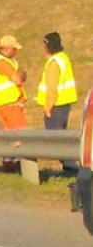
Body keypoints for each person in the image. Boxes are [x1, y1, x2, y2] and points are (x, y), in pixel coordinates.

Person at [37, 31, 78, 171]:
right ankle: (69, 168)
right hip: (64, 103)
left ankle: (72, 168)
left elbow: (52, 88)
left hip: (56, 105)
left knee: (56, 138)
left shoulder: (54, 63)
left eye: (45, 45)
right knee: (60, 136)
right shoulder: (63, 58)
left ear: (49, 46)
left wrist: (48, 107)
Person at [0, 35, 28, 172]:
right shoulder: (2, 63)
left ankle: (9, 162)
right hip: (8, 104)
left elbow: (21, 74)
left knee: (11, 134)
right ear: (6, 49)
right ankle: (19, 163)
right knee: (21, 133)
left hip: (7, 103)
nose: (16, 51)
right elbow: (18, 79)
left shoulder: (9, 61)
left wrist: (21, 75)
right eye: (14, 49)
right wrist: (21, 75)